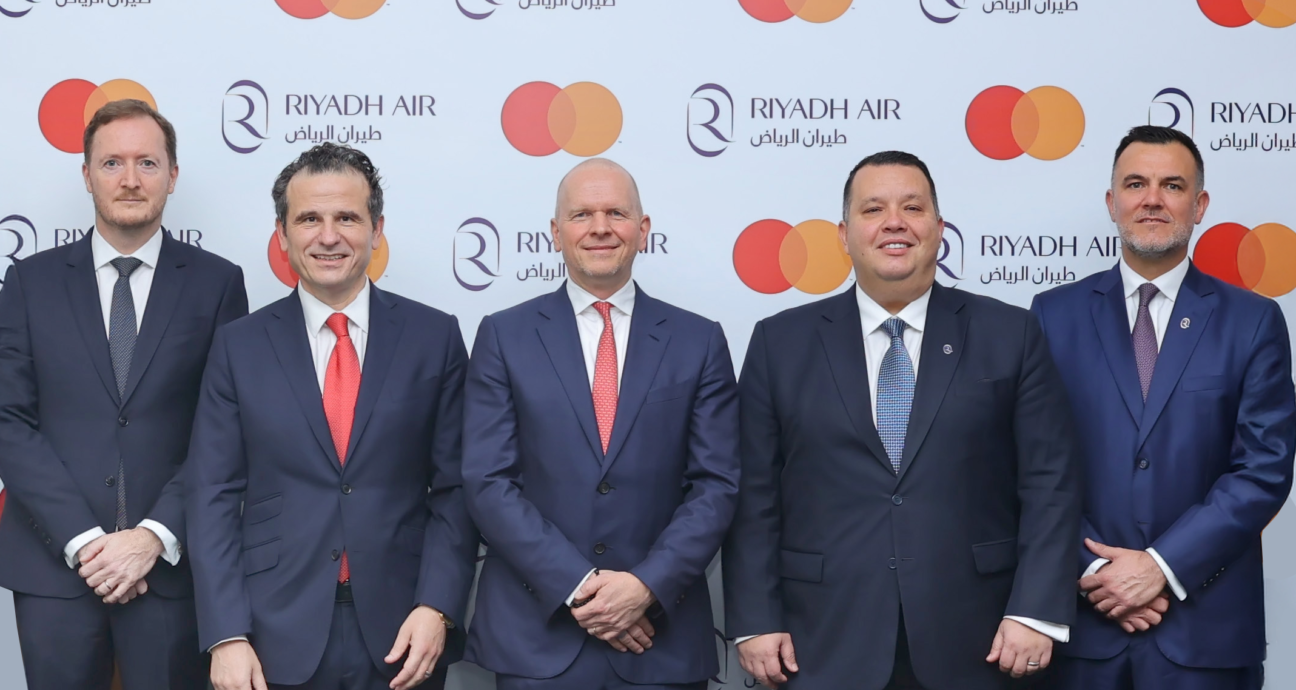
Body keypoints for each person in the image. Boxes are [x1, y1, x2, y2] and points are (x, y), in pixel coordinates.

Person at [723, 151, 1082, 689]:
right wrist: (755, 618)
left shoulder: (1011, 334)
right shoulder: (780, 342)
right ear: (844, 235)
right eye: (873, 209)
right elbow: (753, 495)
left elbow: (1050, 483)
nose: (895, 222)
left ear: (939, 229)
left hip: (981, 640)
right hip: (819, 641)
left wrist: (1036, 611)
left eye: (912, 208)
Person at [184, 143, 477, 690]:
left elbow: (457, 489)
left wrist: (437, 606)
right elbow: (212, 495)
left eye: (347, 217)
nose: (328, 236)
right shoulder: (238, 346)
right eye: (309, 219)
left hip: (405, 630)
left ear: (376, 229)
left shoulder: (434, 338)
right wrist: (225, 634)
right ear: (282, 234)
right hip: (270, 632)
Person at [1031, 125, 1296, 690]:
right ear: (1112, 203)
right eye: (1135, 184)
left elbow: (1263, 470)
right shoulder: (1052, 315)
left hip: (1206, 636)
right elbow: (1029, 465)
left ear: (1199, 205)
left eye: (1172, 185)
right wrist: (1097, 570)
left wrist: (1160, 567)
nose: (1152, 199)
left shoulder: (1253, 321)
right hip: (1083, 631)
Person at [462, 158, 740, 690]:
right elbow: (488, 481)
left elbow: (716, 484)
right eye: (581, 214)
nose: (600, 228)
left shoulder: (699, 341)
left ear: (643, 228)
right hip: (537, 640)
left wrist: (645, 587)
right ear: (555, 232)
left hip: (660, 639)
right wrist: (580, 586)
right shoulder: (503, 336)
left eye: (616, 213)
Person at [0, 99, 248, 689]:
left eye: (147, 163)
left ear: (172, 175)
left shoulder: (218, 283)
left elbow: (224, 431)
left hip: (170, 571)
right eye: (112, 163)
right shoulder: (29, 281)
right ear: (87, 175)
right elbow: (8, 419)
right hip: (54, 568)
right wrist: (86, 543)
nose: (130, 179)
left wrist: (152, 537)